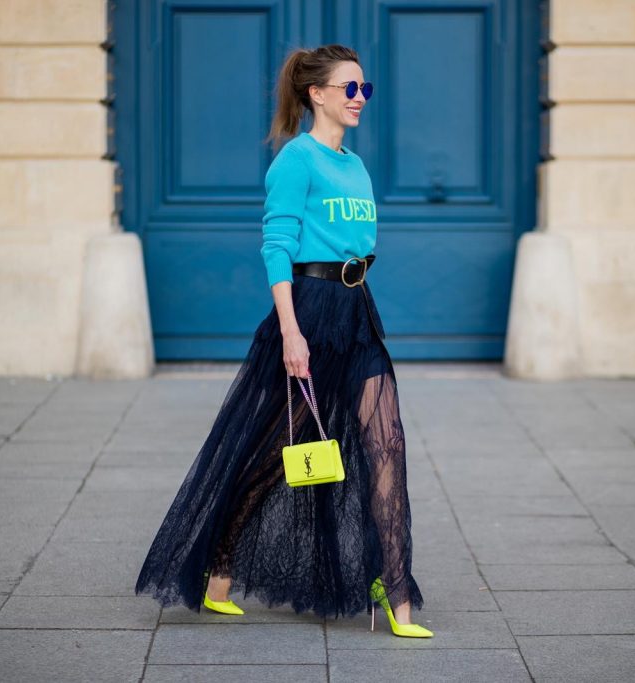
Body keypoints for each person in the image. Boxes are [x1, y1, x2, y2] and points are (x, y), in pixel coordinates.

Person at [134, 44, 432, 638]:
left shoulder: (356, 165)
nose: (359, 99)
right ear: (316, 94)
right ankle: (216, 564)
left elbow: (359, 241)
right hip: (309, 313)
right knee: (277, 452)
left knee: (387, 445)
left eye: (365, 89)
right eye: (349, 88)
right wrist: (292, 333)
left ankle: (393, 585)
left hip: (356, 312)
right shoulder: (296, 161)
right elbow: (277, 247)